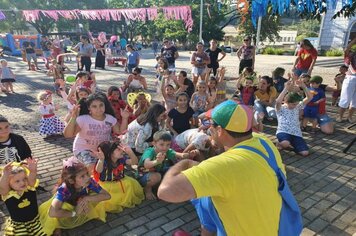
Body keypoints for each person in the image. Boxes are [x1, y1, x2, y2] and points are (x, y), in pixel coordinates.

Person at [157, 100, 302, 236]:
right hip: (281, 227)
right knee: (208, 196)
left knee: (203, 195)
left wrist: (186, 162)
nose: (207, 128)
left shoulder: (223, 166)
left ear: (219, 130)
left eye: (210, 124)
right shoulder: (264, 141)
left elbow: (165, 192)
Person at [39, 156, 111, 236]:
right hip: (69, 208)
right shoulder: (64, 189)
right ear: (71, 180)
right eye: (82, 176)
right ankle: (57, 226)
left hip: (79, 203)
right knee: (63, 207)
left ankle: (85, 213)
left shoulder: (89, 182)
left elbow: (107, 195)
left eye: (87, 173)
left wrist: (86, 198)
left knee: (94, 195)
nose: (87, 177)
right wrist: (75, 213)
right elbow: (52, 212)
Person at [63, 93, 129, 172]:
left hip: (103, 150)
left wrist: (125, 118)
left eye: (101, 105)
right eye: (94, 106)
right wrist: (73, 117)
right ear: (89, 108)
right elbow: (68, 135)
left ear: (105, 105)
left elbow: (120, 131)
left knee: (110, 166)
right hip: (83, 149)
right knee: (92, 168)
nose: (98, 109)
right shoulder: (83, 119)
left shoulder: (110, 119)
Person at [136, 131, 194, 200]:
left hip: (159, 171)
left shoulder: (167, 151)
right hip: (143, 175)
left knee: (176, 170)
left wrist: (189, 155)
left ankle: (164, 186)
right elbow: (146, 164)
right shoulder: (150, 151)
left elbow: (180, 155)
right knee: (157, 176)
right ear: (154, 143)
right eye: (162, 144)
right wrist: (157, 161)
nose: (165, 147)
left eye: (168, 145)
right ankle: (147, 189)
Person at [94, 140, 144, 213]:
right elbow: (98, 170)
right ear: (110, 152)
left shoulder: (121, 159)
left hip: (120, 181)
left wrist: (130, 152)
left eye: (121, 149)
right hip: (106, 184)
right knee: (111, 196)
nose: (122, 151)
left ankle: (122, 200)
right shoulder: (104, 162)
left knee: (129, 184)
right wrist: (101, 160)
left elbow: (135, 162)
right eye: (118, 149)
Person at [0, 159, 46, 236]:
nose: (22, 182)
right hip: (19, 225)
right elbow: (3, 188)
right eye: (17, 181)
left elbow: (32, 180)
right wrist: (5, 175)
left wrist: (33, 171)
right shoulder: (8, 195)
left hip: (35, 220)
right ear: (8, 183)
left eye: (24, 179)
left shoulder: (30, 188)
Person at [275, 80, 312, 156]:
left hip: (296, 133)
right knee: (285, 143)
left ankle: (292, 144)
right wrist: (285, 89)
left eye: (297, 104)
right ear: (286, 102)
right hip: (283, 131)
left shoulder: (297, 106)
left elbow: (310, 97)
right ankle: (281, 143)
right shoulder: (280, 108)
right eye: (293, 104)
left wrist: (304, 86)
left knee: (305, 153)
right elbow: (278, 101)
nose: (295, 106)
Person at [337, 37, 356, 123]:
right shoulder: (351, 54)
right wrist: (354, 40)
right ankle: (340, 116)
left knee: (355, 101)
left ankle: (350, 117)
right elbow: (347, 49)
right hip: (351, 78)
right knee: (345, 99)